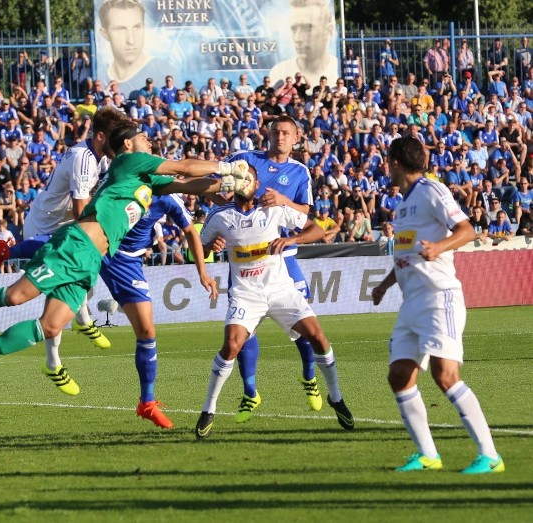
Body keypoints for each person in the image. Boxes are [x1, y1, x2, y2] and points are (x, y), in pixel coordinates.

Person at [0, 123, 252, 395]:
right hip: (76, 246)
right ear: (128, 146)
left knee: (49, 326)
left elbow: (190, 184)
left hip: (91, 261)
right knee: (15, 297)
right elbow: (183, 166)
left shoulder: (147, 179)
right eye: (144, 138)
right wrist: (227, 166)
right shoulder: (128, 163)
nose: (150, 141)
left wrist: (232, 182)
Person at [372, 136, 505, 474]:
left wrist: (439, 247)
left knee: (445, 375)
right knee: (399, 376)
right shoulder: (403, 205)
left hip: (438, 296)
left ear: (396, 162)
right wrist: (385, 284)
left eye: (388, 161)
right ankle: (428, 455)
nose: (386, 167)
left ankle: (490, 456)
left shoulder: (432, 191)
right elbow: (406, 253)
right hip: (411, 302)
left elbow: (467, 230)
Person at [194, 169, 353, 439]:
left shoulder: (274, 208)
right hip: (246, 293)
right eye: (240, 178)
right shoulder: (220, 216)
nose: (245, 183)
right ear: (234, 184)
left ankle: (336, 398)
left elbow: (315, 229)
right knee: (231, 345)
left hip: (280, 290)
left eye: (249, 179)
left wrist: (292, 239)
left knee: (318, 336)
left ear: (256, 184)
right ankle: (209, 408)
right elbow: (197, 248)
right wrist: (211, 247)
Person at [0, 108, 133, 371]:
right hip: (44, 228)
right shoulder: (83, 158)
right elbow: (81, 210)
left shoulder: (100, 157)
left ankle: (60, 352)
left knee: (67, 287)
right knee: (62, 288)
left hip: (61, 225)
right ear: (101, 136)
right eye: (115, 137)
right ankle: (72, 333)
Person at [226, 116, 330, 424]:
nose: (280, 136)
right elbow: (221, 193)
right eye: (276, 132)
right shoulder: (246, 160)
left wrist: (283, 200)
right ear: (268, 135)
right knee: (244, 331)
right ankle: (250, 392)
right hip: (247, 261)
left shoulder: (300, 172)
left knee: (303, 326)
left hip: (285, 259)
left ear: (297, 138)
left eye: (286, 133)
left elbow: (308, 215)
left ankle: (310, 379)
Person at [100, 193, 218, 429]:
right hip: (97, 246)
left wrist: (202, 273)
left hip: (127, 262)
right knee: (48, 307)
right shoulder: (121, 178)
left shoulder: (167, 197)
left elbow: (190, 232)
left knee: (146, 330)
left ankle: (147, 402)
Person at [98, 0, 170, 96]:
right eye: (121, 29)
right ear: (105, 34)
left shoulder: (162, 70)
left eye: (136, 27)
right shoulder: (101, 74)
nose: (131, 40)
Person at [269, 0, 339, 88]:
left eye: (307, 29)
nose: (298, 38)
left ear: (328, 31)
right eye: (294, 29)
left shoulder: (338, 68)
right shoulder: (278, 73)